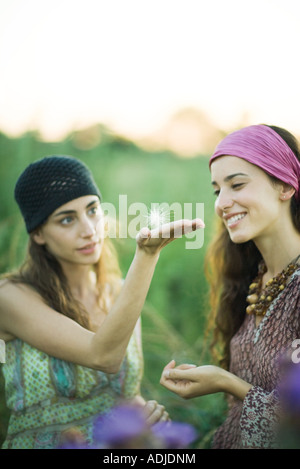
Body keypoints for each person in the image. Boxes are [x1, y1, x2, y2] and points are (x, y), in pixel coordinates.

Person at [0, 155, 204, 449]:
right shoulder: (11, 297)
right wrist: (147, 255)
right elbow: (103, 357)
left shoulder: (120, 292)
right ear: (39, 233)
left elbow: (121, 393)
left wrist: (143, 417)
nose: (88, 229)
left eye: (93, 210)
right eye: (67, 219)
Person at [160, 124, 300, 449]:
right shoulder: (253, 279)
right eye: (217, 191)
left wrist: (225, 382)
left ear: (284, 185)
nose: (222, 203)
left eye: (236, 184)